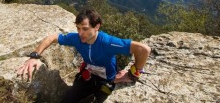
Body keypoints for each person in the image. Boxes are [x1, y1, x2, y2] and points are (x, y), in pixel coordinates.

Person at [17, 9, 151, 103]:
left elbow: (143, 49)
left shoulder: (108, 42)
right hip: (87, 77)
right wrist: (34, 56)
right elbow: (52, 37)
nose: (80, 33)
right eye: (78, 28)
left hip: (107, 81)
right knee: (67, 100)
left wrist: (132, 73)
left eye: (85, 29)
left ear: (97, 26)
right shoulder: (76, 39)